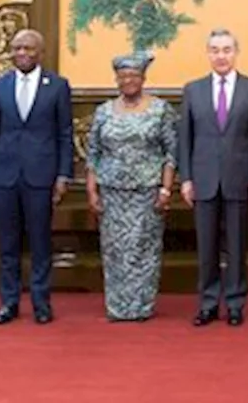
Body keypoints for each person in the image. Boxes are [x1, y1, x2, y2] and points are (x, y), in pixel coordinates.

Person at [0, 29, 74, 325]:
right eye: (17, 48)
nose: (21, 53)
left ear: (40, 52)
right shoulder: (0, 86)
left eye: (28, 48)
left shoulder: (57, 86)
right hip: (5, 175)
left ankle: (41, 302)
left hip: (40, 175)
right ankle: (8, 302)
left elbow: (64, 134)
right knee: (7, 243)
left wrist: (62, 175)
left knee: (40, 241)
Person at [179, 28, 248, 327]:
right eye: (215, 50)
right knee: (206, 247)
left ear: (236, 53)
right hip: (203, 179)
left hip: (239, 178)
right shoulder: (193, 90)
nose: (221, 55)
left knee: (236, 245)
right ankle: (207, 303)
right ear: (208, 53)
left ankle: (234, 302)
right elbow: (185, 140)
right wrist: (186, 179)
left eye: (227, 50)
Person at [86, 53, 177, 322]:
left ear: (143, 79)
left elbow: (171, 153)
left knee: (143, 250)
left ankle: (140, 306)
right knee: (114, 251)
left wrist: (165, 189)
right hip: (112, 191)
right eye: (123, 76)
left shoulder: (160, 110)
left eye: (134, 76)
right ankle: (117, 307)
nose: (128, 81)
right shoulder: (104, 111)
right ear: (116, 79)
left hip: (147, 191)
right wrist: (92, 191)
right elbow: (93, 154)